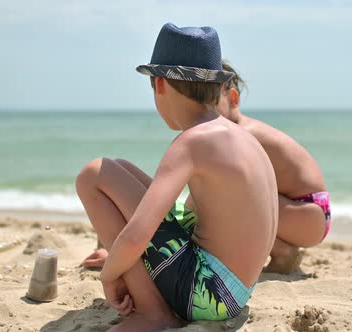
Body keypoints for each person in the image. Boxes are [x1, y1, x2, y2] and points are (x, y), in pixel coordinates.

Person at [76, 23, 278, 331]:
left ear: (159, 84)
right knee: (120, 168)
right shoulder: (239, 135)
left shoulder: (192, 142)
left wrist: (110, 276)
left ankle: (152, 312)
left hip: (208, 294)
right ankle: (155, 305)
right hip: (237, 290)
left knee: (93, 174)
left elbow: (137, 235)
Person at [214, 61, 331, 274]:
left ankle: (283, 252)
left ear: (232, 99)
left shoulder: (244, 134)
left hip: (309, 213)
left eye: (210, 103)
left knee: (225, 196)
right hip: (298, 211)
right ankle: (282, 248)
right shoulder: (236, 130)